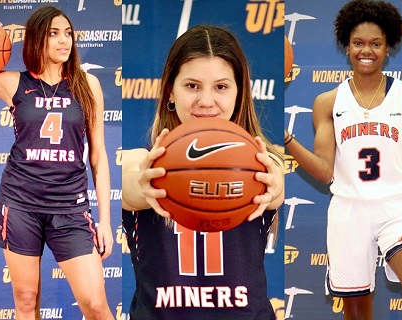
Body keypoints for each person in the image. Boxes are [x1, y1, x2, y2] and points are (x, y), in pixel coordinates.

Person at [0, 7, 114, 320]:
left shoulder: (87, 85)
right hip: (20, 205)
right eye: (53, 33)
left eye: (67, 33)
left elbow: (98, 155)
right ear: (35, 40)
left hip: (70, 208)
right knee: (26, 303)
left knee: (96, 305)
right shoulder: (12, 83)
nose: (63, 40)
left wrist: (106, 222)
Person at [121, 25, 284, 319]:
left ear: (239, 94)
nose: (206, 101)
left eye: (221, 87)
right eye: (192, 86)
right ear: (170, 91)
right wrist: (146, 184)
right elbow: (131, 184)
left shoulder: (264, 163)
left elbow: (276, 187)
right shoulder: (140, 162)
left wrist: (272, 187)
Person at [284, 0, 402, 318]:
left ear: (388, 47)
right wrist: (288, 140)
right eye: (358, 43)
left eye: (376, 43)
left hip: (397, 207)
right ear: (347, 47)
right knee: (358, 312)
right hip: (349, 211)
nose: (367, 51)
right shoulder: (327, 102)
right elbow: (323, 172)